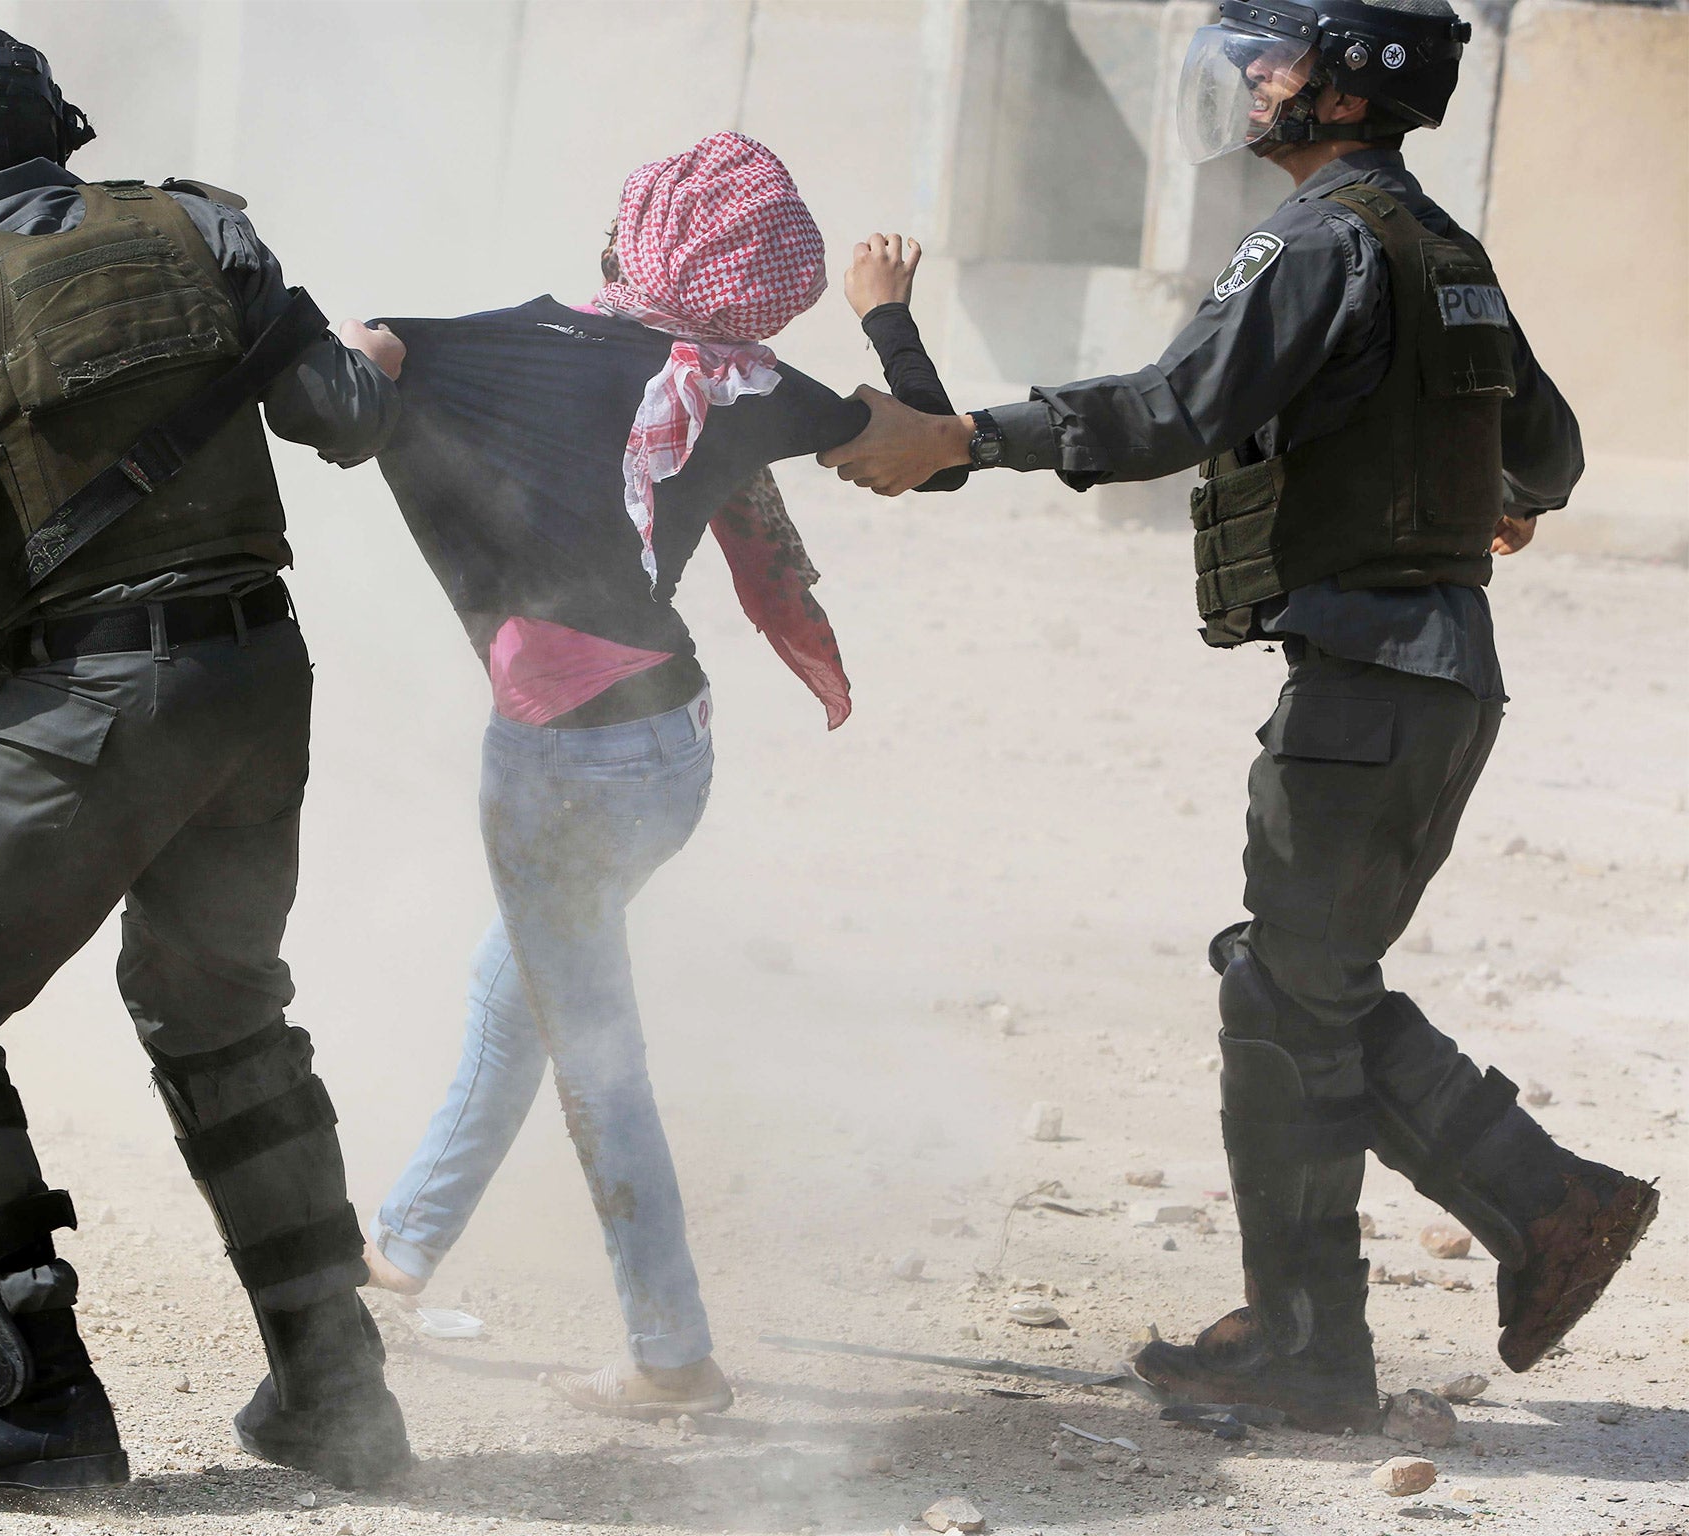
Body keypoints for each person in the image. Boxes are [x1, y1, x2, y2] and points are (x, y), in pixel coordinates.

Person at [816, 0, 1657, 1429]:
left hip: (1367, 680)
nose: (1251, 82)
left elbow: (1169, 409)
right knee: (1298, 980)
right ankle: (1378, 1296)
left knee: (1285, 993)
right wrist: (1478, 503)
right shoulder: (1440, 246)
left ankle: (1445, 1267)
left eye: (1277, 63)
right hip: (1433, 675)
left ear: (1345, 91)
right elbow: (1552, 452)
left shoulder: (1316, 242)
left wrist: (964, 437)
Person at [0, 16, 413, 1491]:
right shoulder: (205, 229)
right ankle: (336, 1393)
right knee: (220, 1013)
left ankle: (30, 1403)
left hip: (97, 700)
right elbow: (339, 412)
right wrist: (379, 361)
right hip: (258, 677)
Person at [340, 132, 961, 1420]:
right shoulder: (754, 387)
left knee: (592, 1048)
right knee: (520, 987)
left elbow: (359, 362)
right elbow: (927, 447)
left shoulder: (484, 342)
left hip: (560, 765)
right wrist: (889, 322)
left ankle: (672, 1353)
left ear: (632, 232)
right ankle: (400, 1245)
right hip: (670, 756)